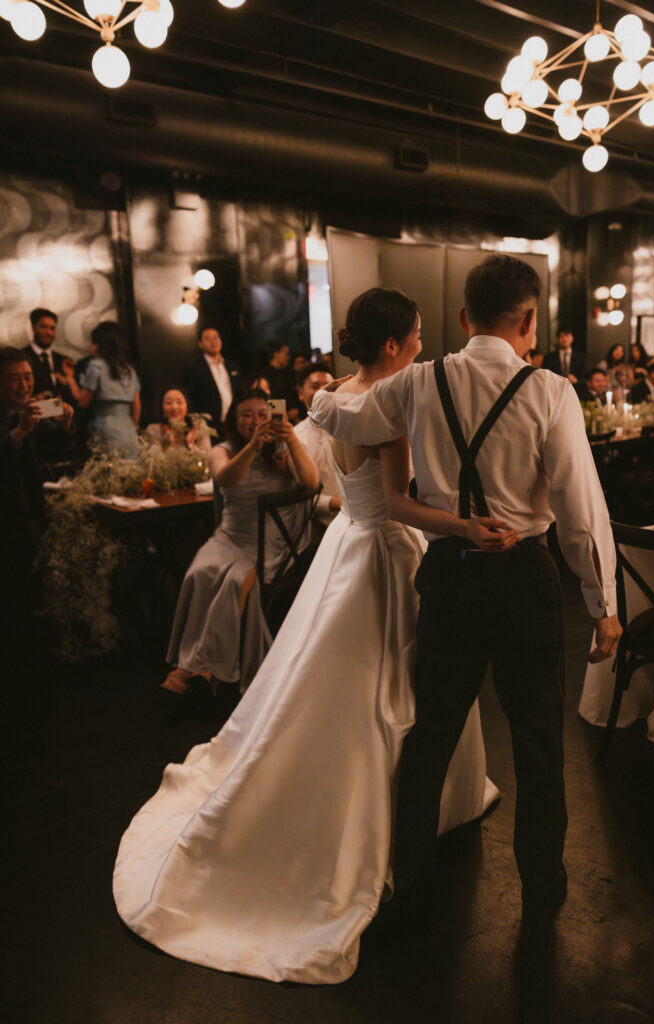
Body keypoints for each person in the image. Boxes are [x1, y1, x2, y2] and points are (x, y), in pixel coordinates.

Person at [114, 289, 512, 983]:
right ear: (390, 345)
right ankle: (390, 814)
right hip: (386, 548)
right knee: (390, 687)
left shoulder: (330, 396)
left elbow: (342, 484)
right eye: (416, 336)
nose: (422, 344)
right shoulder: (388, 406)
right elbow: (397, 503)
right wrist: (465, 525)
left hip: (345, 548)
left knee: (329, 680)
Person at [310, 255, 621, 934]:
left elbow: (345, 420)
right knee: (538, 743)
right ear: (529, 321)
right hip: (523, 579)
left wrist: (316, 397)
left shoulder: (418, 382)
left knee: (430, 736)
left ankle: (410, 872)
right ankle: (541, 886)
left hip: (448, 574)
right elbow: (580, 508)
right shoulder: (550, 392)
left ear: (461, 317)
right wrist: (602, 606)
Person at [161, 386, 319, 696]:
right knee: (199, 572)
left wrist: (289, 438)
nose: (256, 420)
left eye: (263, 414)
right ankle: (199, 662)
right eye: (247, 415)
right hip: (230, 535)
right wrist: (252, 447)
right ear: (235, 420)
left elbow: (311, 482)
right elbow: (226, 479)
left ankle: (204, 666)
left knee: (235, 581)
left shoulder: (282, 453)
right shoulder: (223, 450)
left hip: (269, 541)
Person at [0, 348, 74, 630]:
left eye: (28, 377)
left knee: (31, 586)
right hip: (5, 513)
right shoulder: (17, 417)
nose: (24, 384)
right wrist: (19, 432)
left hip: (30, 509)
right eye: (15, 378)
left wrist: (65, 424)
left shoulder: (29, 410)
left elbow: (58, 446)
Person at [62, 322, 140, 458]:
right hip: (129, 428)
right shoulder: (129, 370)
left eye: (91, 342)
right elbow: (137, 405)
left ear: (97, 345)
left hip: (106, 427)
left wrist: (70, 378)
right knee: (130, 470)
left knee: (109, 469)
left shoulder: (96, 365)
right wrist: (132, 427)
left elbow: (82, 401)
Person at [293, 363, 342, 526]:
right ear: (300, 393)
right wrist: (338, 503)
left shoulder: (349, 427)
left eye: (329, 386)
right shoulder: (295, 437)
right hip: (317, 524)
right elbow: (297, 495)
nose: (323, 392)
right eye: (315, 386)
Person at [183, 326, 239, 437]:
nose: (213, 342)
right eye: (208, 339)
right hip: (209, 426)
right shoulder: (194, 369)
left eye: (216, 338)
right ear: (200, 344)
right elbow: (190, 397)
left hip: (233, 423)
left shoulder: (232, 366)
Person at [21, 308, 71, 404]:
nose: (48, 332)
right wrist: (52, 377)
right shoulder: (22, 358)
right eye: (44, 327)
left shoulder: (63, 360)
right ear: (33, 327)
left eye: (52, 328)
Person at [144, 388, 212, 452]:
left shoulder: (199, 427)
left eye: (179, 402)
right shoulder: (153, 430)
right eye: (168, 403)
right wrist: (168, 444)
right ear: (161, 407)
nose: (174, 407)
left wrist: (191, 445)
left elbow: (207, 457)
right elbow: (155, 460)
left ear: (187, 406)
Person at [263, 340, 299, 422]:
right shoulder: (265, 377)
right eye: (286, 354)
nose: (288, 357)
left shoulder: (289, 374)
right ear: (276, 354)